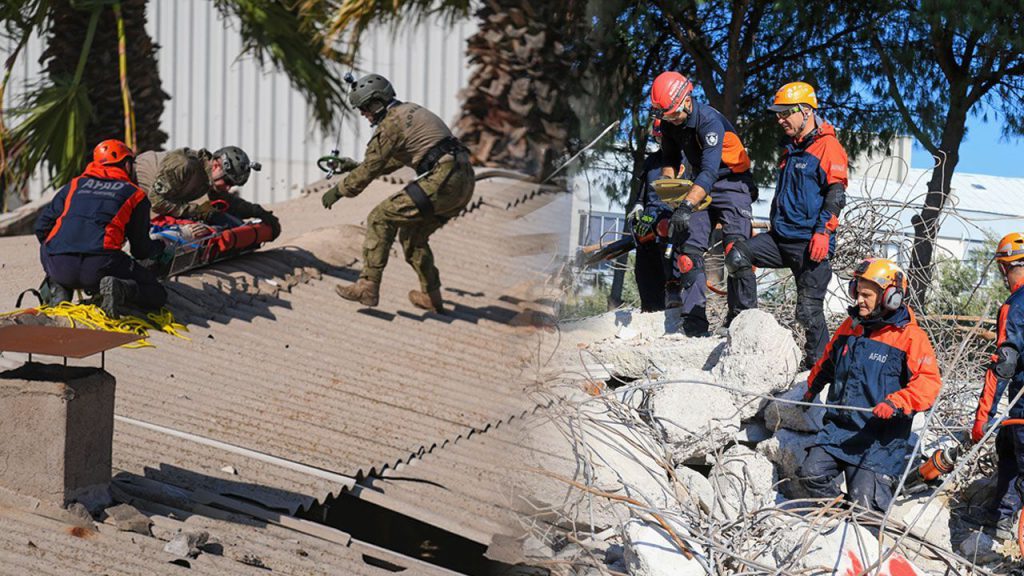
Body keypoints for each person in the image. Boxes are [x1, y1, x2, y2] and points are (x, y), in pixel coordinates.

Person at [320, 73, 475, 313]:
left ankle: (367, 287)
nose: (363, 114)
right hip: (462, 182)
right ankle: (431, 297)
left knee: (379, 218)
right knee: (412, 238)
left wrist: (338, 191)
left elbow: (369, 171)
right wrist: (354, 166)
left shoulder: (390, 123)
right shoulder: (409, 110)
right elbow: (391, 159)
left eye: (364, 108)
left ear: (376, 102)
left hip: (442, 179)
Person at [798, 258, 941, 511]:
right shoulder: (850, 327)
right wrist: (812, 387)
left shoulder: (910, 337)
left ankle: (860, 531)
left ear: (890, 298)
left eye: (866, 295)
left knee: (866, 508)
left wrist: (897, 402)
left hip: (878, 444)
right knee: (811, 474)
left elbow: (928, 383)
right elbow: (827, 362)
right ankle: (839, 519)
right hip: (839, 433)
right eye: (857, 293)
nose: (859, 300)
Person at [726, 81, 848, 367]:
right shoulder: (791, 149)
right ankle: (746, 326)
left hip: (810, 244)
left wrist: (823, 233)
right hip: (780, 239)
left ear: (805, 111)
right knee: (738, 255)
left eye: (785, 113)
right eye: (778, 114)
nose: (780, 119)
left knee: (808, 312)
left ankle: (819, 368)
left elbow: (836, 195)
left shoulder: (828, 147)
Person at [648, 71, 757, 336]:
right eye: (666, 116)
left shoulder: (709, 121)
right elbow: (670, 161)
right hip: (699, 182)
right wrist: (669, 190)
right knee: (688, 255)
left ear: (687, 100)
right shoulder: (670, 124)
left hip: (732, 181)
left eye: (674, 113)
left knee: (737, 253)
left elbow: (709, 171)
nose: (671, 119)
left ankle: (742, 322)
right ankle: (694, 325)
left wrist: (686, 206)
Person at [34, 140, 169, 318]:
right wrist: (160, 247)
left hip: (59, 265)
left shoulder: (74, 185)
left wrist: (61, 254)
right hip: (99, 266)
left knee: (49, 246)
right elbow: (141, 250)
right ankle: (120, 288)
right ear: (127, 164)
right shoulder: (135, 194)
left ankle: (58, 287)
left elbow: (41, 227)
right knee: (157, 293)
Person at [971, 232, 1024, 539]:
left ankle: (1008, 533)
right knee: (1007, 449)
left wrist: (983, 416)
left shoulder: (1015, 305)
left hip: (1022, 407)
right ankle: (999, 520)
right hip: (1018, 411)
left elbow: (1004, 362)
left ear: (1005, 268)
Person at [135, 146, 280, 239]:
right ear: (216, 166)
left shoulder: (209, 176)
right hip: (131, 189)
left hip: (157, 198)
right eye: (228, 182)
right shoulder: (184, 165)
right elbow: (157, 202)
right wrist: (196, 211)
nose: (229, 188)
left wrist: (259, 212)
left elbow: (229, 203)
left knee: (216, 215)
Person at [625, 119, 681, 311]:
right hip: (650, 214)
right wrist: (638, 207)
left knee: (669, 249)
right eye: (658, 138)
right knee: (641, 246)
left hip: (672, 214)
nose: (662, 141)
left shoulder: (685, 160)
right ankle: (649, 305)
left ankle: (673, 290)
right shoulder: (652, 162)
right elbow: (642, 196)